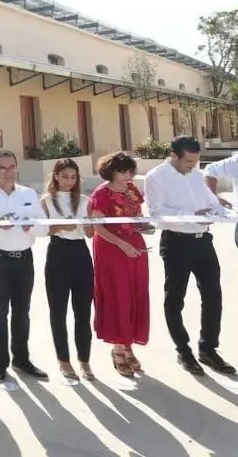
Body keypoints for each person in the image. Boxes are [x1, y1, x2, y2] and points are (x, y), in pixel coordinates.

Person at [144, 135, 235, 375]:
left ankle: (208, 349)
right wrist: (193, 214)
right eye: (188, 162)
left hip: (204, 242)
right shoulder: (156, 178)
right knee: (175, 300)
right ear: (173, 156)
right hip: (177, 244)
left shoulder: (195, 175)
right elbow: (157, 214)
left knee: (213, 296)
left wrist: (216, 209)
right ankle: (183, 352)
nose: (193, 167)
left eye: (196, 162)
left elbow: (209, 202)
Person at [0, 150, 48, 383]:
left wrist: (30, 227)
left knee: (22, 312)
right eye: (2, 168)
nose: (8, 172)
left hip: (24, 258)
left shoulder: (28, 193)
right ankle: (0, 362)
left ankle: (22, 359)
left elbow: (43, 228)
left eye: (12, 167)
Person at [89, 152, 149, 377]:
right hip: (111, 248)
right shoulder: (101, 194)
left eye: (129, 171)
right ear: (110, 172)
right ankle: (117, 349)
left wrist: (145, 226)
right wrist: (122, 244)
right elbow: (98, 227)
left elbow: (139, 215)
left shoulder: (133, 189)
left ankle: (128, 345)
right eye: (122, 171)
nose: (127, 175)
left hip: (136, 247)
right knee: (118, 295)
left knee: (135, 294)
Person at [41, 158, 94, 382]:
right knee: (58, 310)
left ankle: (84, 359)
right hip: (58, 253)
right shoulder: (45, 201)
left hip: (81, 254)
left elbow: (90, 234)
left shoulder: (84, 200)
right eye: (64, 176)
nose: (68, 181)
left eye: (73, 177)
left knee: (83, 311)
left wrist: (89, 223)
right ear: (55, 176)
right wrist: (61, 225)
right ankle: (64, 360)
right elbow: (41, 231)